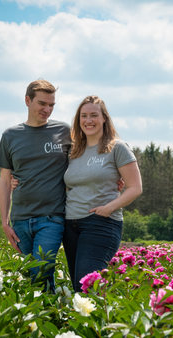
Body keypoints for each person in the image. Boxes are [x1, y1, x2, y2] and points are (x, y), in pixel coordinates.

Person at [0, 79, 70, 291]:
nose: (47, 109)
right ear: (27, 101)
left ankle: (49, 318)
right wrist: (4, 221)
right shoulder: (10, 136)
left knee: (42, 270)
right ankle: (48, 317)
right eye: (42, 103)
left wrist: (114, 172)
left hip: (52, 217)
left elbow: (89, 152)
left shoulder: (64, 131)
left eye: (51, 105)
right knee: (30, 277)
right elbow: (3, 180)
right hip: (20, 220)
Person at [63, 95, 142, 293]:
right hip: (70, 225)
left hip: (101, 223)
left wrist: (109, 208)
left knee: (86, 288)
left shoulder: (117, 147)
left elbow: (135, 187)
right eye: (83, 116)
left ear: (104, 118)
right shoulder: (73, 151)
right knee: (77, 287)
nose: (88, 120)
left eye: (93, 115)